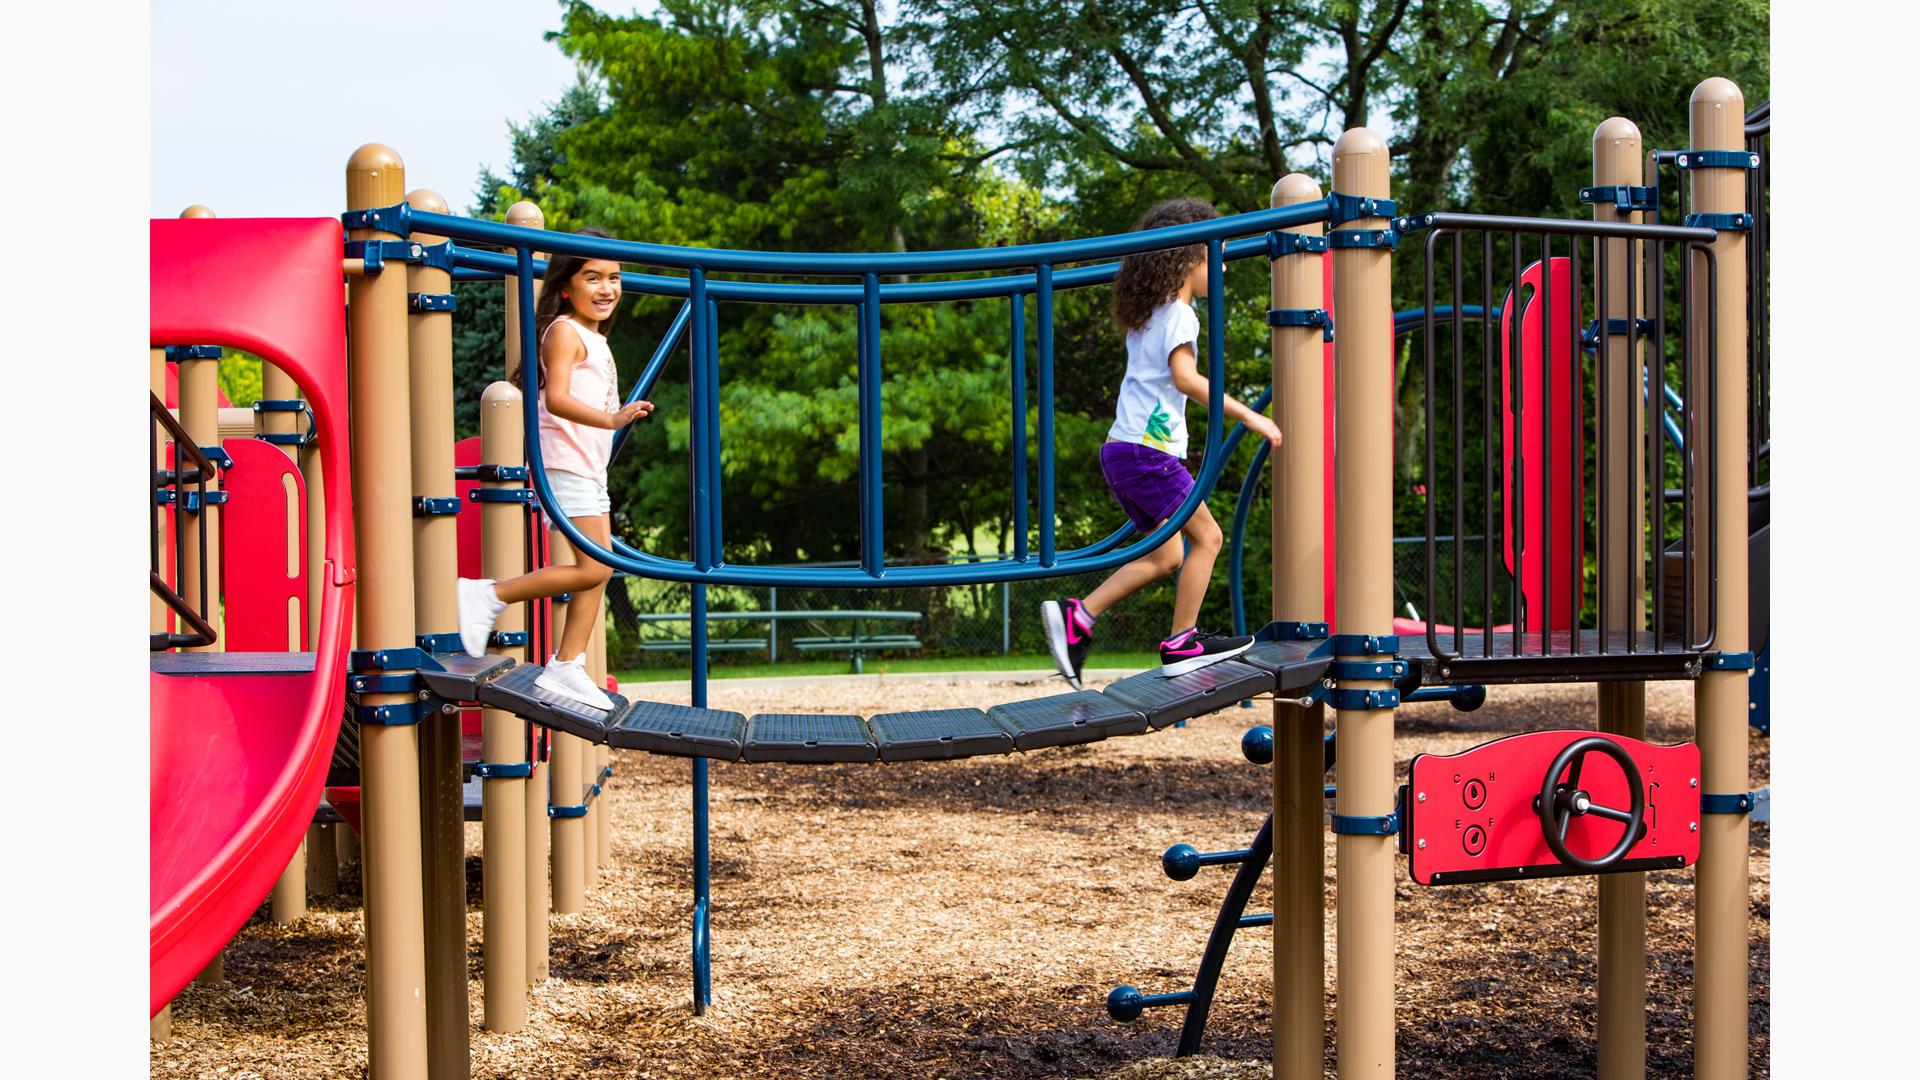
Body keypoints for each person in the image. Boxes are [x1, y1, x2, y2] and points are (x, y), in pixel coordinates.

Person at [1041, 198, 1283, 690]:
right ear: (1191, 258)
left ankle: (1078, 617)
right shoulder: (1180, 315)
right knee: (1209, 538)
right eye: (1215, 258)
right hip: (1147, 454)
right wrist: (1251, 416)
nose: (1221, 269)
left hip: (1124, 452)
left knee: (1168, 555)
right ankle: (1181, 643)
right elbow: (1186, 378)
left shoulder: (1149, 314)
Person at [457, 230, 652, 710]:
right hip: (565, 463)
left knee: (600, 569)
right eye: (593, 277)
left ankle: (567, 665)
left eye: (614, 277)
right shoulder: (564, 331)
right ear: (566, 285)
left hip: (587, 467)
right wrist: (613, 419)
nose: (607, 288)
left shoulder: (593, 336)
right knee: (594, 566)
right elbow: (557, 398)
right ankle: (489, 595)